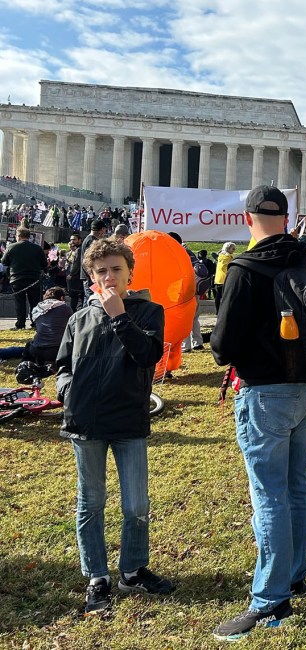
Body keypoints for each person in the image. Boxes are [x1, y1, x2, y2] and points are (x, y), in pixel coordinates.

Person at [210, 186, 306, 641]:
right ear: (287, 216)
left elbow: (221, 347)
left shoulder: (246, 267)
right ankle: (295, 573)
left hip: (265, 393)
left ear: (249, 218)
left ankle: (271, 596)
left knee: (270, 494)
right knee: (298, 483)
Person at [55, 238, 172, 615]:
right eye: (101, 271)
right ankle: (97, 577)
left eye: (116, 269)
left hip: (128, 420)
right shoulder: (79, 318)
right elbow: (63, 364)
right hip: (84, 421)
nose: (109, 276)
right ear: (91, 276)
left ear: (129, 274)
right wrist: (66, 390)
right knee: (91, 502)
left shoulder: (148, 311)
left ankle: (133, 570)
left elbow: (149, 356)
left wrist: (120, 315)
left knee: (136, 503)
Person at [0, 287, 72, 362]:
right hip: (58, 350)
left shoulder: (37, 309)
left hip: (36, 350)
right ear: (62, 297)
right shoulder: (65, 308)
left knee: (23, 348)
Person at [2, 227, 47, 329]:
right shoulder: (37, 248)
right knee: (35, 302)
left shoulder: (11, 247)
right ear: (29, 236)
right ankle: (35, 323)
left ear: (18, 236)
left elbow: (4, 262)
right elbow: (44, 264)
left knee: (20, 302)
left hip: (17, 278)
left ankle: (20, 324)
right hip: (34, 279)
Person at [79, 219, 108, 300]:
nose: (104, 232)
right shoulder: (92, 241)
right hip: (90, 277)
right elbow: (92, 260)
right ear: (102, 229)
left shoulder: (88, 239)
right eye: (105, 230)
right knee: (93, 299)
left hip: (88, 276)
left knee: (88, 299)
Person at [214, 242, 236, 313]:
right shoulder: (228, 257)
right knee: (226, 297)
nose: (234, 250)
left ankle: (217, 311)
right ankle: (225, 311)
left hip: (218, 279)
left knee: (218, 296)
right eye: (233, 248)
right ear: (228, 248)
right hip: (225, 279)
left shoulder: (220, 256)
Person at [66, 233, 84, 310]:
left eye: (74, 239)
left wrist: (71, 274)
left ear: (79, 240)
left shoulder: (79, 250)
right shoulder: (75, 250)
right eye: (71, 239)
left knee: (75, 296)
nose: (72, 241)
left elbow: (77, 263)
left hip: (76, 276)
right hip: (75, 276)